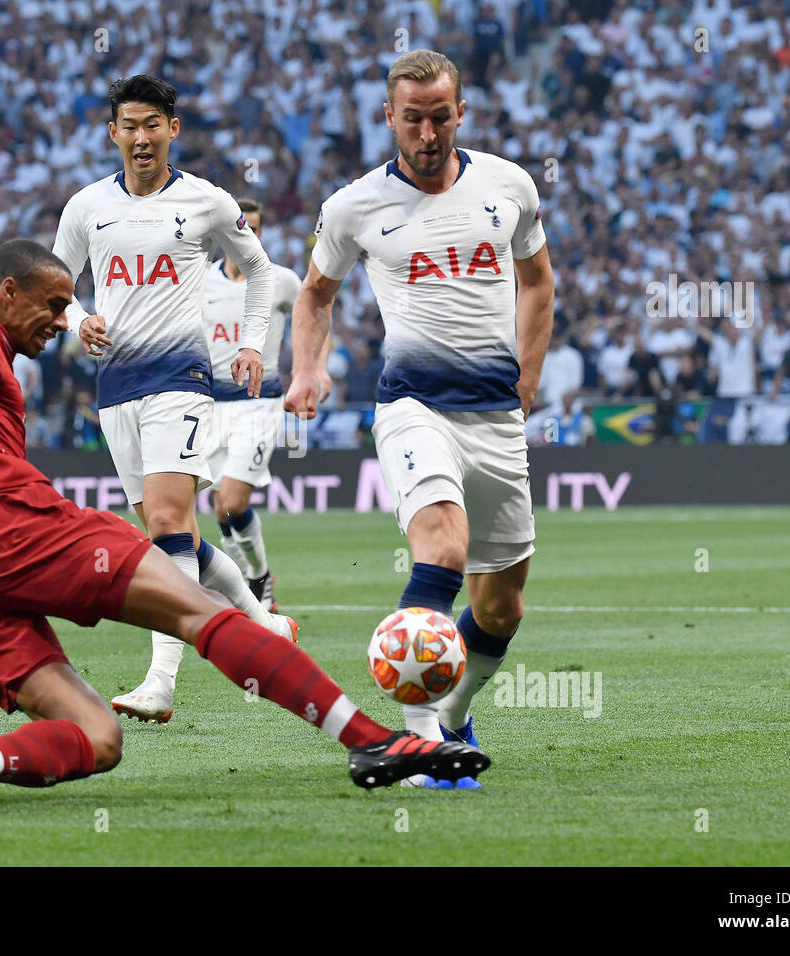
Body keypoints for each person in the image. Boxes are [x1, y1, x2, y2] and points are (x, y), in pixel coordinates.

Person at [0, 238, 486, 808]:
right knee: (198, 610)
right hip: (0, 525)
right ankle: (370, 742)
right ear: (8, 290)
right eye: (54, 304)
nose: (61, 322)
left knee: (97, 738)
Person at [285, 50, 554, 789]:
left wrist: (528, 378)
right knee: (440, 548)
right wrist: (309, 368)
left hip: (496, 415)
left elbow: (538, 280)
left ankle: (455, 716)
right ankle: (416, 741)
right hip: (412, 406)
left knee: (500, 605)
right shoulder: (353, 207)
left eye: (440, 116)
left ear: (460, 113)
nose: (427, 132)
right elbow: (314, 293)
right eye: (413, 118)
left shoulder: (509, 186)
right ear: (389, 118)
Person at [52, 75, 296, 725]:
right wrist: (78, 323)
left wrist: (251, 344)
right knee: (174, 532)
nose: (140, 137)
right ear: (113, 133)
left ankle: (161, 681)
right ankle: (260, 618)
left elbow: (262, 270)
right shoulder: (86, 208)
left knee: (164, 525)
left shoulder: (207, 202)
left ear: (172, 130)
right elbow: (58, 286)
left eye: (152, 124)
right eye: (129, 126)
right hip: (116, 389)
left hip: (183, 382)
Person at [202, 197, 328, 611]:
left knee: (235, 501)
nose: (248, 236)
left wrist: (316, 368)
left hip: (259, 403)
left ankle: (256, 582)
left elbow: (316, 314)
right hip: (209, 406)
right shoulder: (202, 281)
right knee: (221, 511)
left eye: (255, 229)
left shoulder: (281, 280)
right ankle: (251, 579)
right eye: (241, 228)